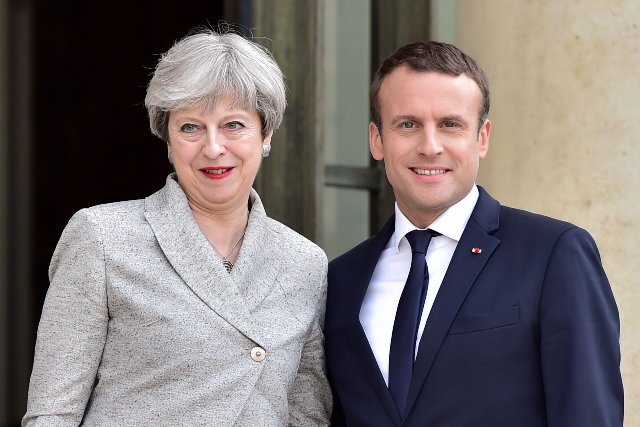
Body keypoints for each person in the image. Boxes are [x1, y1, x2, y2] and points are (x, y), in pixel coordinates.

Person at [23, 28, 331, 426]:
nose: (213, 147)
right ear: (167, 139)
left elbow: (307, 415)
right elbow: (52, 413)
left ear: (266, 133)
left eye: (234, 124)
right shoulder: (102, 237)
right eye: (190, 127)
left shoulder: (304, 263)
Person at [324, 40, 623, 426]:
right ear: (377, 139)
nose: (430, 147)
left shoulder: (554, 255)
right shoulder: (342, 280)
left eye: (450, 124)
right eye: (408, 124)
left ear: (481, 138)